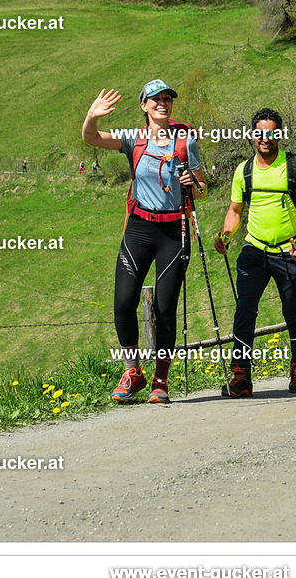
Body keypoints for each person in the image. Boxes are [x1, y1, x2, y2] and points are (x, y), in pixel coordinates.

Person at [82, 80, 207, 404]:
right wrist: (92, 115)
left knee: (165, 310)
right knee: (123, 301)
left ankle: (161, 380)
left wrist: (192, 181)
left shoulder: (185, 141)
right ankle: (132, 372)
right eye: (156, 99)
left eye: (167, 99)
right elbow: (91, 138)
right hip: (139, 227)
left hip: (173, 232)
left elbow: (202, 187)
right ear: (144, 106)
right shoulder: (132, 139)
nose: (162, 103)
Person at [215, 108, 296, 397]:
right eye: (260, 133)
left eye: (272, 133)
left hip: (288, 251)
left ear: (280, 135)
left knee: (294, 313)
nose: (266, 139)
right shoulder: (244, 170)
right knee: (244, 310)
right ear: (252, 135)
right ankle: (241, 377)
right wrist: (225, 236)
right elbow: (235, 211)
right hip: (253, 248)